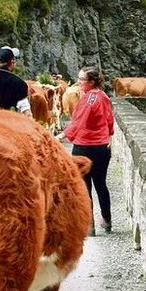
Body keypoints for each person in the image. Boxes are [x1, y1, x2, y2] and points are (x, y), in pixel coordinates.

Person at [62, 66, 115, 234]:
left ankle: (89, 225)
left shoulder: (88, 99)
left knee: (85, 187)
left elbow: (78, 122)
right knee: (101, 185)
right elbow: (109, 120)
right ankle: (107, 220)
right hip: (101, 147)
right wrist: (109, 136)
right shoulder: (104, 96)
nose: (79, 82)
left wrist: (62, 135)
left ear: (91, 82)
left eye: (82, 79)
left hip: (83, 146)